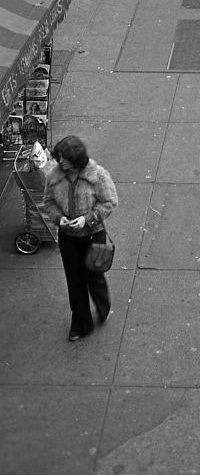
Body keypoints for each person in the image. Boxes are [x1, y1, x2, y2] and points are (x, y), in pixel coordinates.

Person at [43, 136, 118, 342]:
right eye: (59, 157)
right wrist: (60, 219)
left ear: (76, 159)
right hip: (68, 238)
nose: (60, 162)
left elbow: (109, 202)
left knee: (94, 276)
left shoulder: (98, 176)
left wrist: (87, 220)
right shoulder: (54, 177)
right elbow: (48, 202)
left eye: (64, 158)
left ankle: (103, 307)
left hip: (93, 235)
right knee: (74, 282)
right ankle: (81, 324)